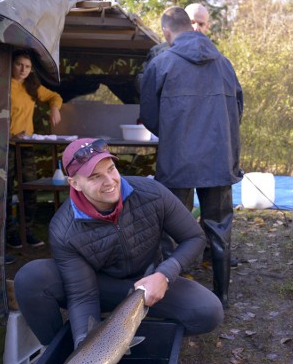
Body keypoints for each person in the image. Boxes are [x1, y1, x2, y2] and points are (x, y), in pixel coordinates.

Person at [13, 138, 224, 349]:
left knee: (208, 310)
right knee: (31, 279)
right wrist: (85, 345)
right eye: (95, 176)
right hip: (103, 287)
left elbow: (194, 237)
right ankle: (63, 354)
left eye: (111, 169)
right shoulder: (63, 228)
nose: (109, 181)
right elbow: (83, 295)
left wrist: (165, 274)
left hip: (148, 283)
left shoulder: (152, 192)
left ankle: (131, 340)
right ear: (74, 183)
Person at [140, 6, 243, 309]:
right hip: (219, 159)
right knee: (219, 227)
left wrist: (174, 133)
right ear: (192, 26)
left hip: (177, 160)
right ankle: (221, 296)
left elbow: (149, 117)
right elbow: (237, 110)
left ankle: (173, 297)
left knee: (172, 230)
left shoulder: (161, 64)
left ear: (167, 32)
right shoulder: (224, 64)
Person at [7, 49, 63, 249]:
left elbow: (54, 96)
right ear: (11, 64)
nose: (23, 70)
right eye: (19, 64)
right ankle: (9, 234)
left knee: (30, 188)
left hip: (26, 146)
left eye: (28, 66)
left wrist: (54, 107)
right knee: (5, 191)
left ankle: (26, 230)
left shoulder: (32, 86)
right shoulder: (2, 86)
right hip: (5, 147)